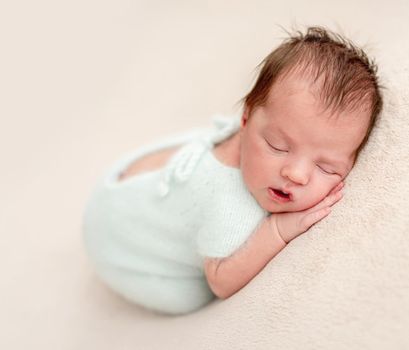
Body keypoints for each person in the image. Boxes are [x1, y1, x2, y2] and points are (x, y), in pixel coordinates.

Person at [82, 26, 383, 315]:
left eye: (325, 166)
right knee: (189, 298)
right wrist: (277, 230)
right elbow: (220, 282)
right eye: (277, 145)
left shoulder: (258, 142)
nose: (297, 174)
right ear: (246, 118)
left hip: (123, 192)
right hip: (116, 245)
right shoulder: (228, 205)